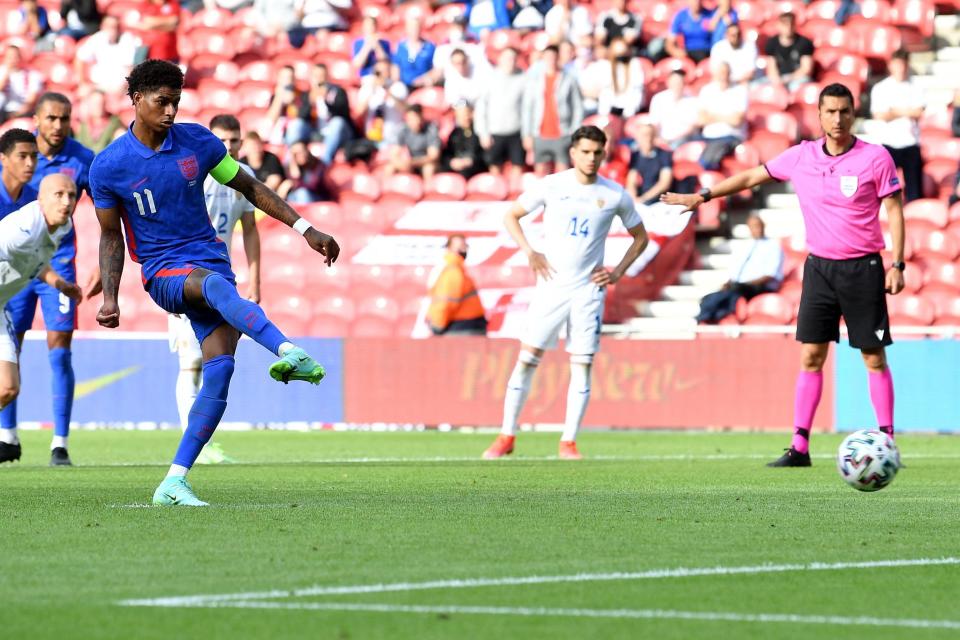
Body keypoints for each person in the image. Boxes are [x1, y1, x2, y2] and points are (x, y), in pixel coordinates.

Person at [89, 59, 339, 506]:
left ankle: (174, 480)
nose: (170, 112)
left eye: (176, 103)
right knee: (217, 289)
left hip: (209, 259)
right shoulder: (108, 166)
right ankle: (288, 350)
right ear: (135, 99)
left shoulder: (198, 144)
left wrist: (306, 230)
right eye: (161, 102)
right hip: (163, 272)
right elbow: (110, 235)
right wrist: (110, 297)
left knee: (220, 369)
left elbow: (250, 187)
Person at [662, 83, 905, 467]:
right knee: (811, 356)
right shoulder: (801, 156)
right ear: (819, 115)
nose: (838, 119)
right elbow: (748, 179)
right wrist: (703, 196)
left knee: (873, 358)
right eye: (830, 112)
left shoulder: (875, 158)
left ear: (853, 112)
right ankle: (800, 447)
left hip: (864, 268)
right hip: (820, 269)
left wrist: (897, 263)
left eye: (844, 111)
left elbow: (894, 209)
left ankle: (887, 443)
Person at [482, 125, 649, 461]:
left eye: (597, 152)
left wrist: (616, 272)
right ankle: (507, 434)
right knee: (528, 359)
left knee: (582, 365)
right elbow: (511, 215)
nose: (591, 158)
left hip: (589, 291)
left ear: (604, 154)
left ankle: (568, 441)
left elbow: (640, 237)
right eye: (585, 151)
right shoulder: (553, 185)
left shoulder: (614, 194)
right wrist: (530, 251)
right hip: (552, 285)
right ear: (573, 153)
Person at [1, 95, 95, 467]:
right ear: (37, 119)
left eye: (65, 118)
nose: (58, 125)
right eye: (51, 118)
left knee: (56, 353)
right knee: (13, 351)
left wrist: (75, 278)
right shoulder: (18, 170)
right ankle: (7, 436)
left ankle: (60, 442)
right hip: (12, 268)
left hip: (49, 266)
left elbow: (106, 206)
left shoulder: (82, 160)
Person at [167, 114, 261, 465]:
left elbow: (249, 229)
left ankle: (202, 440)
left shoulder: (241, 179)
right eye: (222, 140)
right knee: (189, 363)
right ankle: (193, 443)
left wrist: (256, 279)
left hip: (221, 282)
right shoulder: (192, 176)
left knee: (216, 363)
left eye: (235, 141)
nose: (229, 147)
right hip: (185, 279)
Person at [0, 175, 82, 464]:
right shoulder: (21, 229)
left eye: (71, 195)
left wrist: (61, 284)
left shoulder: (62, 226)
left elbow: (36, 262)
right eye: (59, 194)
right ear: (41, 199)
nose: (66, 201)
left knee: (8, 389)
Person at [695, 215, 784, 323]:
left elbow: (770, 275)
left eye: (758, 226)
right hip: (740, 285)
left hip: (760, 286)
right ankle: (710, 316)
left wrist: (744, 284)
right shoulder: (747, 246)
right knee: (712, 296)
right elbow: (736, 271)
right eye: (753, 227)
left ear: (763, 226)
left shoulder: (773, 246)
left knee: (734, 292)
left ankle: (710, 316)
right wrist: (729, 282)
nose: (757, 229)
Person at [868, 50, 924, 203]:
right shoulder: (881, 88)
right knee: (885, 190)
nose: (901, 68)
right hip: (889, 143)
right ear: (890, 65)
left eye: (903, 64)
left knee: (914, 192)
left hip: (911, 143)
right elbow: (879, 115)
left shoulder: (916, 86)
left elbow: (919, 112)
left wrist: (894, 111)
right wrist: (906, 111)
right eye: (897, 64)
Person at [522, 45, 583, 176]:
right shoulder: (535, 80)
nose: (551, 61)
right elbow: (527, 108)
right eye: (548, 57)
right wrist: (526, 134)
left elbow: (577, 106)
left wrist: (574, 131)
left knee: (563, 174)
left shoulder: (568, 79)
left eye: (554, 57)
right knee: (541, 173)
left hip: (562, 133)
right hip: (540, 133)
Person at [475, 47, 526, 177]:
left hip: (516, 132)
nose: (511, 61)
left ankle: (515, 195)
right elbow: (481, 107)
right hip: (495, 132)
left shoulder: (523, 78)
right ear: (500, 60)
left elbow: (528, 108)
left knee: (518, 167)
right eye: (508, 58)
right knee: (495, 168)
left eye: (514, 58)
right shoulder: (490, 78)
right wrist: (483, 133)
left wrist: (527, 133)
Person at [427, 234, 487, 336]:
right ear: (449, 248)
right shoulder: (453, 270)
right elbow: (445, 302)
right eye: (459, 247)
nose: (463, 250)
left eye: (464, 246)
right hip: (462, 329)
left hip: (465, 327)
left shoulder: (455, 269)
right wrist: (437, 326)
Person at [697, 61, 748, 170]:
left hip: (729, 136)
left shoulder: (740, 91)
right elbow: (701, 119)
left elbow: (736, 121)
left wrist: (712, 117)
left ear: (730, 74)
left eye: (725, 72)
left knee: (706, 162)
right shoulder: (707, 90)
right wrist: (726, 117)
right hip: (707, 136)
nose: (723, 76)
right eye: (720, 72)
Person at [74, 14, 143, 94]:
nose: (112, 30)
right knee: (85, 93)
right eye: (109, 26)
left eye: (115, 26)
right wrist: (82, 83)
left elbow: (130, 68)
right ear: (103, 27)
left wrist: (124, 87)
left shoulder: (127, 39)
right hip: (98, 85)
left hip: (119, 86)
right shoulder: (97, 38)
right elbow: (80, 58)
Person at [307, 62, 354, 165]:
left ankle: (324, 163)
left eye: (322, 76)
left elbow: (342, 115)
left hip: (340, 133)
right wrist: (310, 102)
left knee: (337, 122)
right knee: (296, 125)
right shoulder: (307, 94)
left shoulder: (338, 92)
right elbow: (302, 117)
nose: (319, 79)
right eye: (316, 76)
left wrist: (326, 100)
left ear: (327, 77)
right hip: (317, 133)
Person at [356, 59, 409, 146]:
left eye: (384, 71)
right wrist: (372, 90)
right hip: (371, 138)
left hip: (392, 139)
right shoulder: (367, 88)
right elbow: (359, 112)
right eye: (378, 72)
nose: (381, 75)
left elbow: (406, 110)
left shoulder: (398, 87)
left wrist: (388, 92)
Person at [647, 69, 699, 149]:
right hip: (661, 139)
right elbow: (654, 123)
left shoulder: (693, 101)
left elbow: (692, 128)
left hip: (682, 140)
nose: (677, 85)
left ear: (684, 83)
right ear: (668, 82)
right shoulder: (658, 99)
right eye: (674, 82)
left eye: (680, 82)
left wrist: (671, 140)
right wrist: (658, 138)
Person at [387, 104, 441, 179]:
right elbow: (394, 154)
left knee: (428, 168)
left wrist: (412, 162)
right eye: (410, 119)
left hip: (426, 163)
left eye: (416, 118)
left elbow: (433, 156)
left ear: (421, 118)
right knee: (390, 167)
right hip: (412, 163)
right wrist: (401, 164)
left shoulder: (431, 129)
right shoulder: (403, 129)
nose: (414, 122)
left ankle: (428, 189)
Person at [763, 12, 814, 91]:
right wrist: (777, 81)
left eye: (791, 23)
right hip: (778, 78)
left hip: (796, 78)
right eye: (785, 24)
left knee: (796, 87)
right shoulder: (772, 43)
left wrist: (788, 79)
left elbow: (806, 69)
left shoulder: (804, 43)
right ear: (778, 25)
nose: (788, 27)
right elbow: (771, 68)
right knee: (757, 86)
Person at [626, 123, 673, 206]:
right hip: (639, 202)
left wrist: (642, 199)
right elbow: (631, 181)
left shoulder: (664, 155)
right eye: (645, 135)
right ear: (638, 137)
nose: (648, 138)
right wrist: (634, 198)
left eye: (651, 135)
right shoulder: (635, 156)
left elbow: (664, 183)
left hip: (658, 202)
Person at [596, 37, 644, 118]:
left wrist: (629, 112)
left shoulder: (634, 64)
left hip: (629, 108)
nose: (620, 57)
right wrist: (604, 114)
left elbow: (637, 90)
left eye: (623, 53)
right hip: (611, 108)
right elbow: (604, 91)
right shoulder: (605, 65)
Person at [0, 129, 39, 218]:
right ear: (3, 159)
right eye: (22, 156)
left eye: (34, 156)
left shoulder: (35, 201)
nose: (30, 163)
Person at [442, 102, 486, 179]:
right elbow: (447, 153)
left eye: (467, 114)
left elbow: (484, 154)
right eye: (462, 116)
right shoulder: (454, 133)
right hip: (458, 165)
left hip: (474, 167)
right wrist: (451, 162)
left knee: (464, 173)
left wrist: (470, 161)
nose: (465, 118)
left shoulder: (479, 132)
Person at [0, 45, 43, 123]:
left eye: (15, 57)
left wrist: (17, 114)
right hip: (3, 110)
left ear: (21, 58)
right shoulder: (2, 71)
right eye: (9, 57)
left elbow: (31, 99)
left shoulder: (32, 75)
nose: (12, 60)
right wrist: (6, 75)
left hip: (22, 111)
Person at [393, 16, 436, 89]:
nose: (414, 30)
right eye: (412, 28)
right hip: (404, 85)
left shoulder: (429, 47)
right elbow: (395, 67)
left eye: (417, 27)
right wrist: (396, 82)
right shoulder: (401, 47)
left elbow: (435, 69)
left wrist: (424, 79)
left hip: (423, 85)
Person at [75, 89, 124, 153]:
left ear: (105, 103)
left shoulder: (114, 123)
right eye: (95, 103)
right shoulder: (84, 125)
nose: (98, 106)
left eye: (101, 103)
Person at [351, 14, 391, 79]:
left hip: (382, 77)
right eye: (367, 25)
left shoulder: (384, 43)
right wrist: (367, 46)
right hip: (366, 77)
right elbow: (357, 64)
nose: (370, 28)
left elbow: (385, 61)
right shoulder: (358, 43)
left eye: (372, 25)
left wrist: (377, 46)